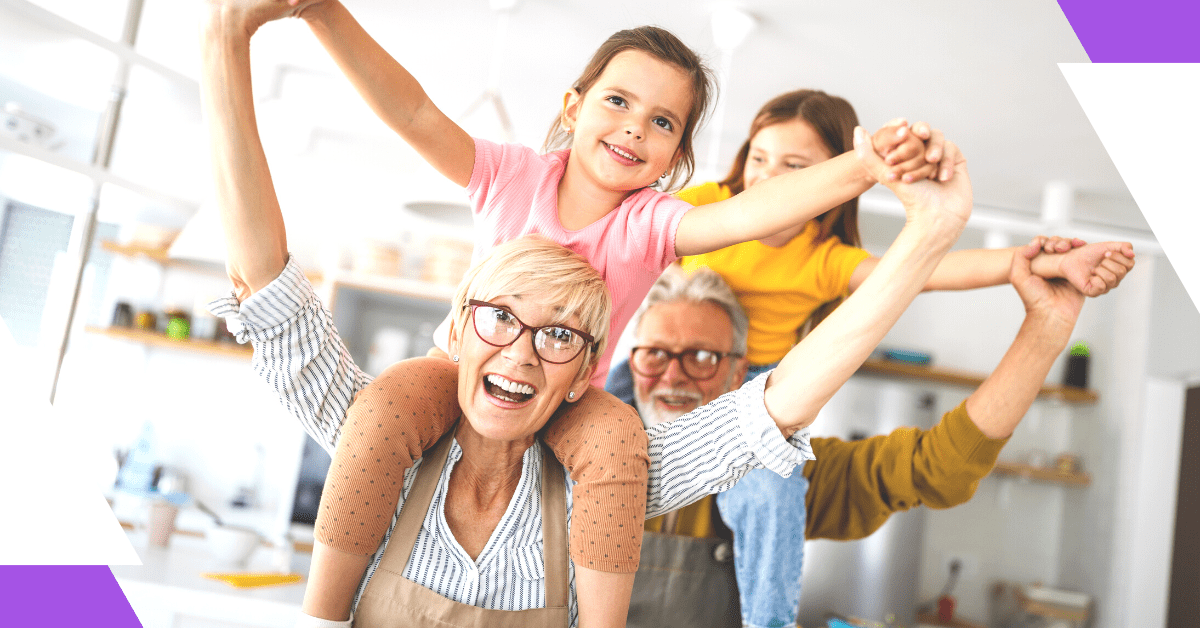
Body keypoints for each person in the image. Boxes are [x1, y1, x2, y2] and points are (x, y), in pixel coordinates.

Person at [199, 0, 976, 622]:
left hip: (576, 404)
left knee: (616, 443)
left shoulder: (650, 223)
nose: (637, 126)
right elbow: (411, 113)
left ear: (676, 159)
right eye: (618, 101)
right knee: (382, 407)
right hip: (446, 376)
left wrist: (865, 167)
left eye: (663, 122)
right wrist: (321, 11)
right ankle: (320, 613)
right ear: (573, 107)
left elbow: (753, 213)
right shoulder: (509, 175)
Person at [604, 88, 1135, 628]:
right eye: (759, 160)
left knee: (770, 492)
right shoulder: (705, 209)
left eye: (795, 169)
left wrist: (1038, 278)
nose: (767, 182)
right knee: (593, 450)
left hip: (763, 394)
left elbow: (922, 277)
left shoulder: (820, 260)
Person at [619, 249, 1128, 627]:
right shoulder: (586, 461)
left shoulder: (781, 475)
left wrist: (1044, 328)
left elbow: (938, 466)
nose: (673, 376)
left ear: (738, 373)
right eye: (655, 354)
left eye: (703, 357)